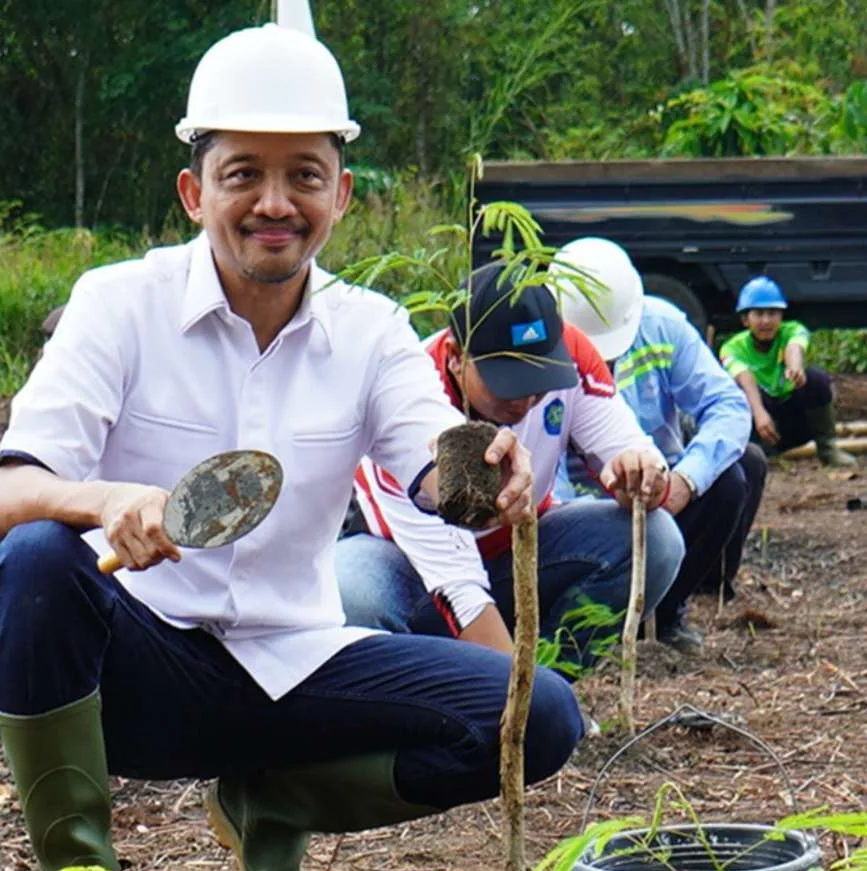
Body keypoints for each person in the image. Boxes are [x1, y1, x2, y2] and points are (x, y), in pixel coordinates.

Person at [0, 22, 583, 871]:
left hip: (297, 667)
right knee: (33, 563)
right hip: (142, 673)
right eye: (241, 175)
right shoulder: (117, 305)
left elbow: (428, 457)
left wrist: (479, 467)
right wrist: (104, 500)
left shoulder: (368, 330)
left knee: (538, 714)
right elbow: (6, 495)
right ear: (193, 191)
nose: (274, 203)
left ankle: (270, 806)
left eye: (303, 174)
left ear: (340, 194)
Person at [337, 263, 684, 673]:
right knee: (351, 589)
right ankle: (438, 713)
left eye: (537, 383)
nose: (524, 401)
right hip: (412, 576)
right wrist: (526, 704)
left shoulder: (571, 351)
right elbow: (458, 589)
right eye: (507, 383)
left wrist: (640, 477)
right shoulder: (406, 399)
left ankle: (556, 680)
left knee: (659, 539)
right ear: (455, 357)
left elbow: (632, 453)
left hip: (522, 551)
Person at [555, 237, 766, 650]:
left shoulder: (662, 325)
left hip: (662, 490)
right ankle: (585, 624)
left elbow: (727, 405)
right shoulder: (541, 354)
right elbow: (544, 459)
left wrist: (686, 480)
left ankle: (666, 612)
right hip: (581, 509)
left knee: (734, 477)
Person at [720, 276, 855, 468]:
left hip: (793, 420)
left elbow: (795, 347)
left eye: (773, 313)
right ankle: (753, 456)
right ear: (745, 319)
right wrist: (759, 414)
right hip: (761, 424)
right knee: (737, 392)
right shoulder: (732, 348)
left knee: (816, 378)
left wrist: (795, 367)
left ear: (781, 316)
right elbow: (744, 377)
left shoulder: (792, 330)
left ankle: (827, 448)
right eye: (759, 314)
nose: (766, 320)